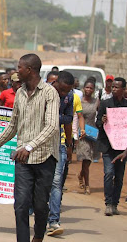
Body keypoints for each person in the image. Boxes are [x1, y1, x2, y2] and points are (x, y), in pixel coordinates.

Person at [0, 54, 60, 242]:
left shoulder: (50, 93)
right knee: (21, 205)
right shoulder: (20, 94)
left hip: (45, 157)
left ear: (30, 70)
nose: (17, 71)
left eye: (20, 68)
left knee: (40, 206)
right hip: (23, 160)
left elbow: (52, 126)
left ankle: (38, 236)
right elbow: (13, 126)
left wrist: (30, 147)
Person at [96, 77, 127, 216]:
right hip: (107, 146)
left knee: (119, 175)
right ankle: (108, 203)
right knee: (109, 173)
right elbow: (98, 123)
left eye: (117, 87)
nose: (114, 89)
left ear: (123, 90)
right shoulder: (105, 103)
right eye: (113, 87)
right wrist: (102, 121)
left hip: (122, 147)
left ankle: (115, 203)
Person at [47, 71, 75, 237]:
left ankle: (54, 221)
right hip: (38, 143)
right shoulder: (42, 91)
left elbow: (69, 119)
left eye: (67, 91)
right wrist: (60, 117)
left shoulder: (69, 97)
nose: (64, 94)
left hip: (58, 143)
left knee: (56, 182)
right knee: (39, 181)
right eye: (62, 90)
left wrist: (69, 145)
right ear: (56, 82)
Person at [76, 80, 98, 195]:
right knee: (85, 159)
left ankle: (81, 175)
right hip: (82, 134)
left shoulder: (96, 102)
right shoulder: (79, 101)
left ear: (93, 90)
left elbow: (100, 115)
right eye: (87, 87)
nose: (89, 90)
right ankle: (87, 185)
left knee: (89, 160)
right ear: (84, 88)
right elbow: (76, 117)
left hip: (93, 133)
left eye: (91, 88)